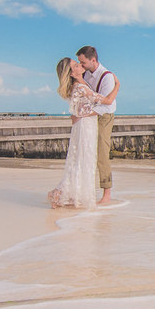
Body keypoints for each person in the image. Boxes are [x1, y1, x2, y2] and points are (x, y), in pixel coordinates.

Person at [47, 58, 103, 209]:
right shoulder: (79, 87)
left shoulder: (80, 85)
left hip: (86, 124)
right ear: (71, 73)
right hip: (85, 125)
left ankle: (69, 193)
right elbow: (103, 101)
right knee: (83, 158)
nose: (80, 66)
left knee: (82, 158)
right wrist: (116, 86)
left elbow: (79, 110)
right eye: (76, 65)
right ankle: (59, 192)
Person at [76, 45, 120, 205]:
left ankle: (106, 193)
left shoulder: (107, 76)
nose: (81, 66)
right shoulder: (85, 74)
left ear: (93, 60)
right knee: (86, 152)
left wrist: (86, 113)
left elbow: (107, 105)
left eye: (83, 63)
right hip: (89, 116)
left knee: (102, 153)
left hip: (104, 117)